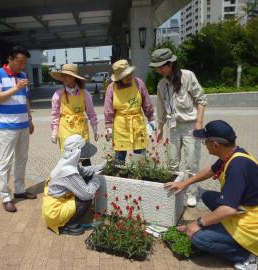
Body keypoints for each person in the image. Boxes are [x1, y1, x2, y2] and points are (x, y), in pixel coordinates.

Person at [165, 120, 258, 270]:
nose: (204, 145)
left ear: (215, 144)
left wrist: (198, 223)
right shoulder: (232, 154)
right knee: (208, 196)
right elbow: (210, 170)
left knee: (198, 238)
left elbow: (228, 209)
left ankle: (248, 256)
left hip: (252, 223)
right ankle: (221, 228)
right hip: (245, 208)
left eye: (205, 142)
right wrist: (184, 183)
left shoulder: (237, 166)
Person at [149, 48, 207, 207]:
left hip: (190, 126)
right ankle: (173, 188)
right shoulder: (161, 84)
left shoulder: (187, 76)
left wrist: (199, 124)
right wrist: (159, 127)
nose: (159, 69)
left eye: (162, 66)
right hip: (173, 127)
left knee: (191, 162)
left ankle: (191, 193)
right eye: (157, 67)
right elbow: (160, 108)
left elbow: (201, 99)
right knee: (172, 161)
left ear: (171, 63)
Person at [0, 45, 36, 213]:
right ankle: (5, 197)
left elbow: (26, 99)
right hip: (7, 127)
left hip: (23, 125)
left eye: (24, 63)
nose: (22, 66)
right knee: (5, 161)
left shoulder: (22, 75)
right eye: (19, 62)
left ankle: (19, 189)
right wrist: (15, 88)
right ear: (9, 59)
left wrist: (30, 119)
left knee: (22, 158)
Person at [42, 134, 104, 236]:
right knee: (86, 199)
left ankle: (69, 220)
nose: (85, 154)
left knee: (84, 183)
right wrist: (97, 179)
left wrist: (100, 167)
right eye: (83, 151)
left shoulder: (67, 163)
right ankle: (69, 224)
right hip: (54, 213)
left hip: (56, 203)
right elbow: (87, 194)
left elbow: (84, 171)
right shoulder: (68, 171)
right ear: (76, 153)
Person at [104, 59, 155, 161]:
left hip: (138, 124)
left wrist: (151, 120)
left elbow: (147, 103)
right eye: (124, 75)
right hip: (121, 126)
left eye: (129, 73)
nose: (128, 77)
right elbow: (108, 108)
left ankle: (140, 175)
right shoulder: (111, 87)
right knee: (119, 156)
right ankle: (119, 175)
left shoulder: (138, 83)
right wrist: (108, 126)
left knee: (140, 156)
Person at [50, 64, 99, 166]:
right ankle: (72, 181)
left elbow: (91, 113)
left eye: (67, 75)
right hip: (65, 130)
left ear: (74, 77)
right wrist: (54, 132)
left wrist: (95, 129)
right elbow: (55, 115)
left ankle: (88, 180)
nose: (64, 78)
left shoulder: (85, 93)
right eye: (63, 75)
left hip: (81, 129)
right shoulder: (58, 94)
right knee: (69, 160)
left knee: (85, 158)